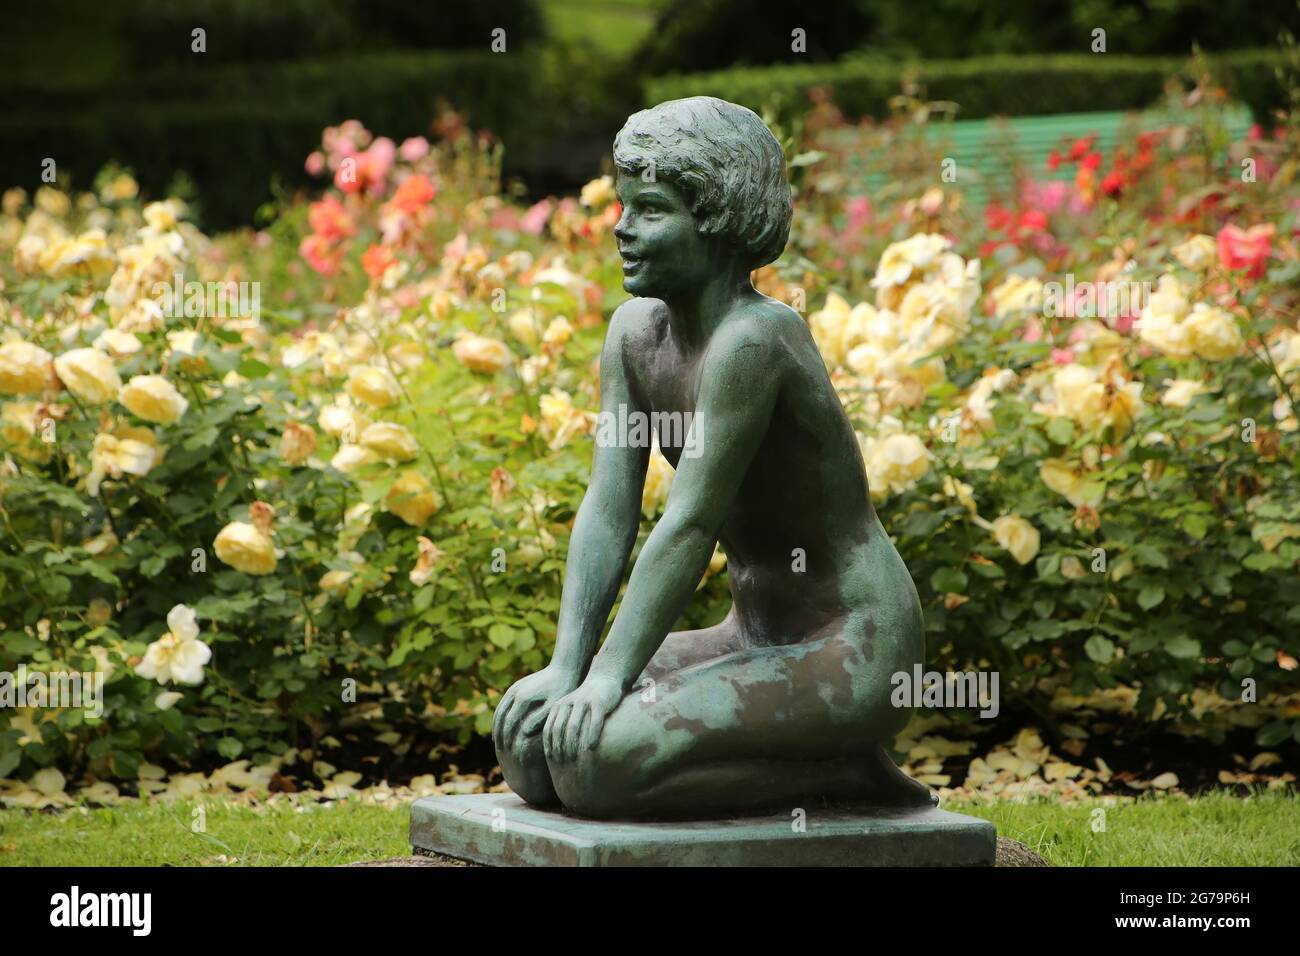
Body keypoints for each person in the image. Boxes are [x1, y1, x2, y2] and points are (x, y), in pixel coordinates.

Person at [492, 96, 933, 819]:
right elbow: (608, 506)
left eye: (652, 209)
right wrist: (569, 664)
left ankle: (840, 773)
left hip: (850, 648)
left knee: (594, 766)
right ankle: (823, 766)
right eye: (624, 205)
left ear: (720, 223)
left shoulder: (754, 341)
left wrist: (609, 679)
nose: (622, 230)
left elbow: (689, 523)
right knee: (534, 748)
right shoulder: (635, 337)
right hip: (753, 636)